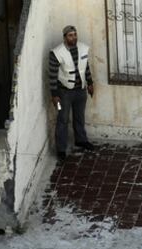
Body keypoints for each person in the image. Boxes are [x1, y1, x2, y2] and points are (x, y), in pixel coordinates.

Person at [49, 25, 95, 161]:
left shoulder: (82, 48)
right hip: (64, 92)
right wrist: (54, 95)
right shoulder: (56, 53)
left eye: (75, 35)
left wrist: (90, 83)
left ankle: (81, 140)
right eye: (70, 35)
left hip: (80, 90)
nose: (73, 37)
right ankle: (61, 149)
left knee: (79, 116)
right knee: (62, 119)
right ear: (65, 37)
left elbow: (85, 67)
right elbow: (52, 75)